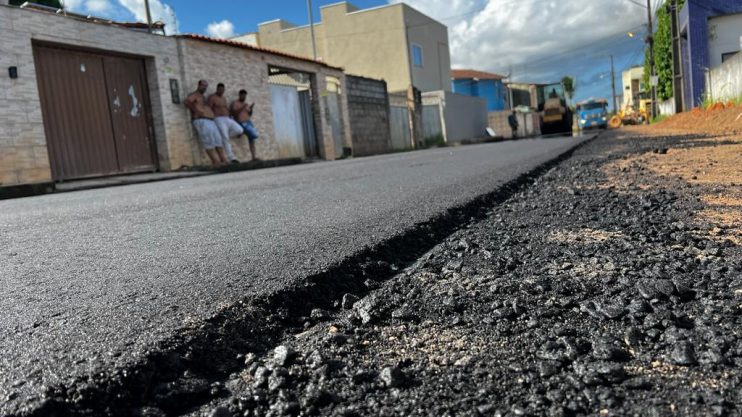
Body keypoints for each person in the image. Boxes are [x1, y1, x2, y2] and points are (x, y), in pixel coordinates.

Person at [184, 80, 228, 166]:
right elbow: (187, 102)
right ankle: (215, 162)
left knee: (218, 140)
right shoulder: (195, 95)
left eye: (206, 86)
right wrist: (196, 111)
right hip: (201, 120)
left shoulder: (203, 97)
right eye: (203, 86)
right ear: (198, 85)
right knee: (208, 141)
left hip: (210, 120)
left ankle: (223, 160)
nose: (204, 88)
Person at [208, 83, 244, 164]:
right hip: (218, 118)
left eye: (222, 90)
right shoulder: (212, 97)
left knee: (240, 130)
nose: (221, 91)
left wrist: (231, 117)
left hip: (227, 118)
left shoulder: (223, 98)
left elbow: (226, 108)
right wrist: (211, 119)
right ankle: (231, 158)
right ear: (217, 89)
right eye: (219, 89)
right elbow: (209, 108)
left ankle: (224, 137)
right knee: (225, 138)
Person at [230, 89, 259, 161]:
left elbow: (249, 114)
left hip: (248, 122)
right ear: (239, 95)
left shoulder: (246, 104)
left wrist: (251, 109)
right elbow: (234, 113)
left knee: (252, 139)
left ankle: (253, 157)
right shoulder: (235, 103)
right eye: (243, 96)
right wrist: (242, 107)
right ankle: (241, 131)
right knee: (254, 135)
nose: (244, 98)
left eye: (245, 96)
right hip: (242, 122)